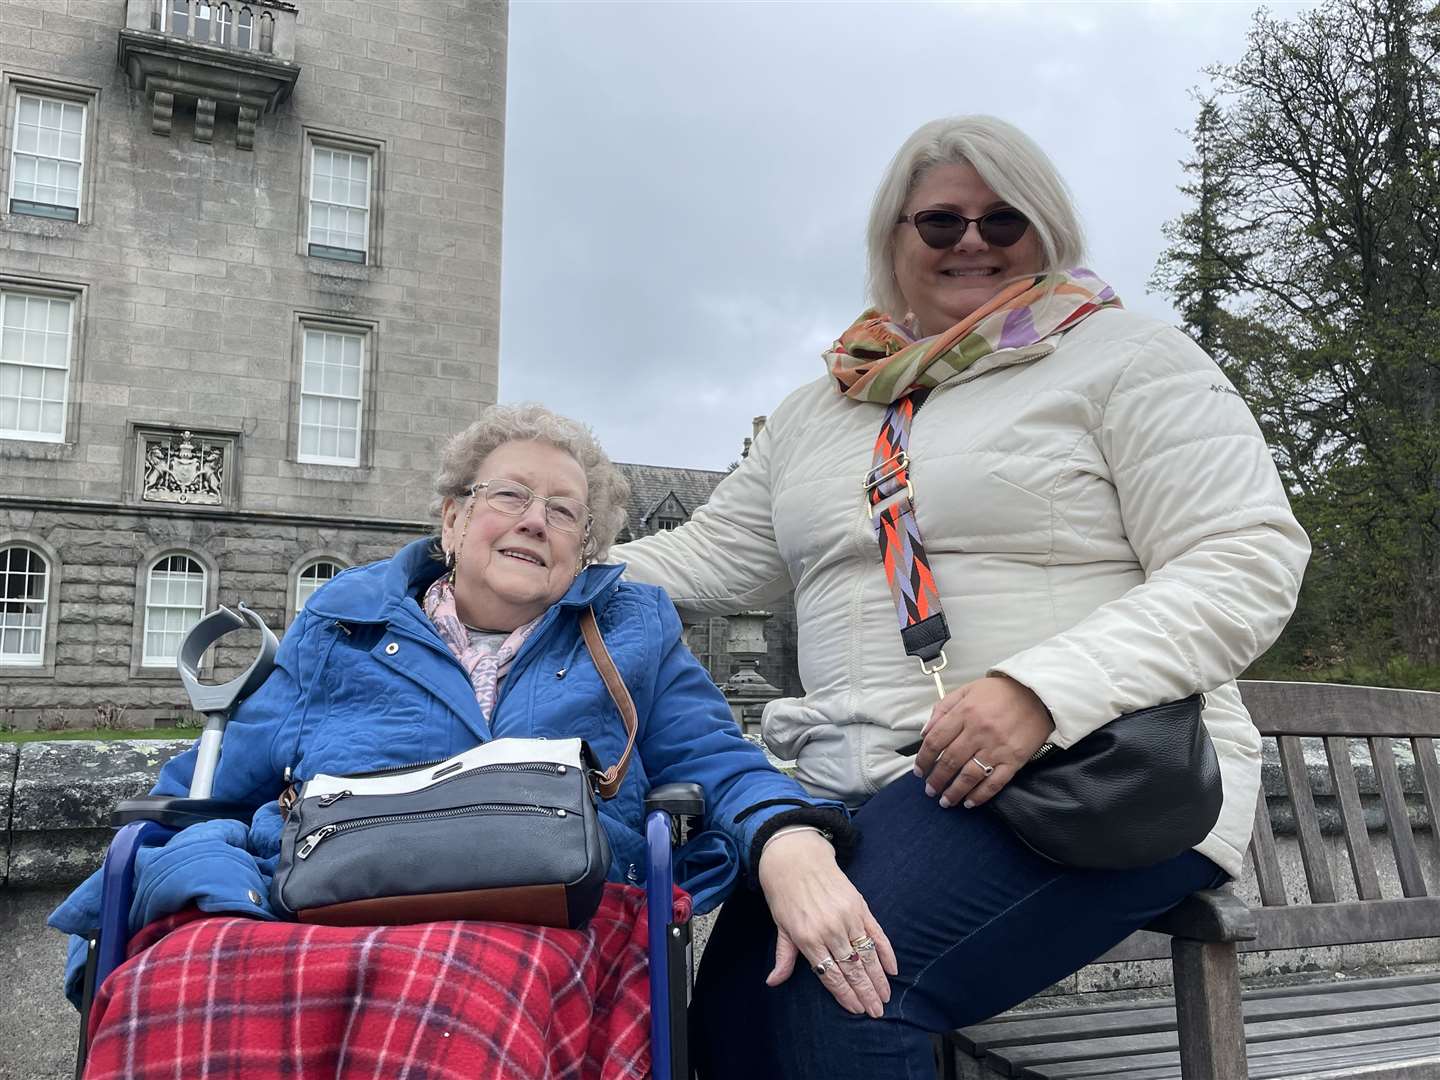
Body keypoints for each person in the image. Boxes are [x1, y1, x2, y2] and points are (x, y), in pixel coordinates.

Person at [614, 115, 1311, 1078]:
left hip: (1098, 769)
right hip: (868, 783)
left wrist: (1040, 691)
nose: (973, 242)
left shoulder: (1130, 360)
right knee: (727, 1016)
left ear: (1048, 229)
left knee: (848, 985)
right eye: (941, 223)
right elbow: (709, 558)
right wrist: (512, 563)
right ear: (893, 239)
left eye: (1004, 219)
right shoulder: (821, 408)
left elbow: (1246, 557)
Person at [50, 403, 897, 1079]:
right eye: (509, 497)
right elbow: (208, 788)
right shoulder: (339, 625)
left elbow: (719, 759)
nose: (535, 521)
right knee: (179, 977)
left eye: (564, 512)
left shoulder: (632, 631)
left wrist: (789, 838)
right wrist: (161, 897)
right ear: (452, 520)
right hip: (323, 902)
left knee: (455, 994)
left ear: (585, 551)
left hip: (538, 913)